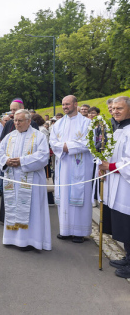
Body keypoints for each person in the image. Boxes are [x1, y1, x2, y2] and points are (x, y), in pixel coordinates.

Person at [0, 109, 51, 250]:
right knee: (13, 206)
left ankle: (31, 241)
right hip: (12, 180)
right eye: (15, 120)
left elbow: (44, 156)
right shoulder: (10, 136)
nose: (17, 123)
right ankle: (12, 239)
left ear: (28, 121)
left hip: (32, 180)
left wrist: (22, 161)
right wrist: (7, 160)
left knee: (32, 210)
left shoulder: (38, 136)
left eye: (20, 121)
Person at [49, 95, 93, 243]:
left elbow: (89, 143)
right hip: (63, 165)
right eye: (63, 104)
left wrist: (69, 146)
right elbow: (52, 141)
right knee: (64, 197)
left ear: (75, 104)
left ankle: (80, 232)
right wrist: (64, 147)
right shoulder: (58, 124)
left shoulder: (87, 123)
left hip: (81, 166)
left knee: (79, 194)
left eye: (67, 104)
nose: (65, 107)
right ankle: (65, 230)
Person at [99, 96, 130, 278]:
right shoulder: (118, 129)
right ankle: (128, 257)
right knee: (125, 226)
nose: (115, 111)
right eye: (114, 108)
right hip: (117, 185)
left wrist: (109, 167)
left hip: (126, 189)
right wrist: (101, 166)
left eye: (120, 108)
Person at [0, 98, 39, 223]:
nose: (12, 113)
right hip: (11, 169)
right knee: (10, 195)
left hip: (25, 170)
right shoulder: (10, 123)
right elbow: (2, 143)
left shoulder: (32, 125)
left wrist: (22, 160)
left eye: (14, 109)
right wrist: (6, 159)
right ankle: (6, 218)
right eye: (11, 110)